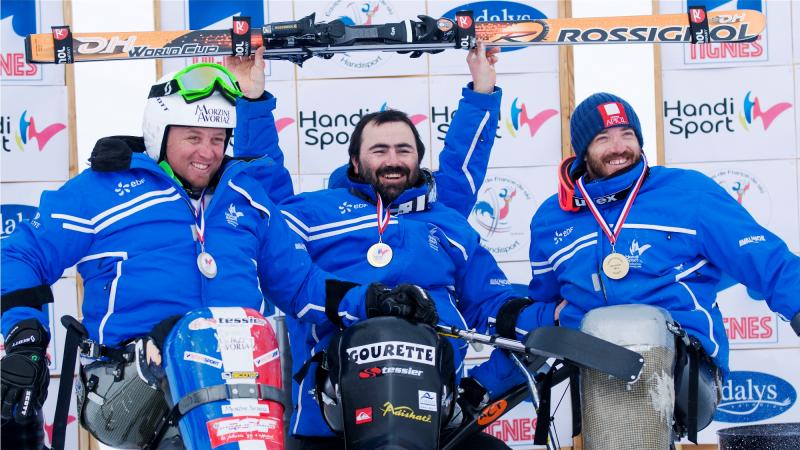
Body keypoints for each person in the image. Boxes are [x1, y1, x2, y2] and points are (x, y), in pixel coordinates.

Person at [0, 49, 371, 449]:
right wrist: (25, 335)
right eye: (193, 137)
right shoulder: (102, 191)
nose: (207, 152)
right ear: (160, 133)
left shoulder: (245, 197)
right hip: (133, 383)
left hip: (240, 379)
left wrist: (376, 300)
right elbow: (19, 255)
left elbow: (302, 287)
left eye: (217, 139)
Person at [254, 45, 525, 449]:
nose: (392, 159)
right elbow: (264, 181)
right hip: (332, 419)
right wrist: (253, 100)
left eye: (404, 150)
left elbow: (492, 301)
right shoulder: (311, 212)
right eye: (379, 150)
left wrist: (482, 93)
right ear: (355, 160)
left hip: (435, 418)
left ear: (418, 158)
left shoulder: (444, 221)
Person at [496, 92, 800, 436]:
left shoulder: (687, 193)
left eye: (627, 135)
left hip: (681, 359)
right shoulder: (551, 220)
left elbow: (761, 256)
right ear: (582, 152)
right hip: (596, 363)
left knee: (639, 336)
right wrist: (536, 319)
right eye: (603, 138)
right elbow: (546, 305)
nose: (619, 147)